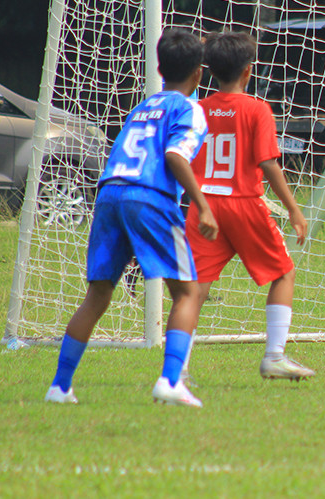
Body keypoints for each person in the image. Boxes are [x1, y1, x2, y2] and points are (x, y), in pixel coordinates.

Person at [45, 28, 217, 407]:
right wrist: (202, 204)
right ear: (199, 74)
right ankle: (171, 380)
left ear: (159, 67)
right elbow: (174, 156)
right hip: (148, 196)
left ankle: (59, 385)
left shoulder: (143, 106)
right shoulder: (189, 109)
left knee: (98, 294)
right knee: (187, 291)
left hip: (110, 194)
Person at [183, 31, 313, 381]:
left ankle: (177, 368)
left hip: (204, 207)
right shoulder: (258, 109)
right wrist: (293, 209)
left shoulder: (197, 109)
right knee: (284, 272)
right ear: (248, 72)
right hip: (244, 204)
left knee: (195, 289)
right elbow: (269, 164)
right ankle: (274, 356)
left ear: (209, 71)